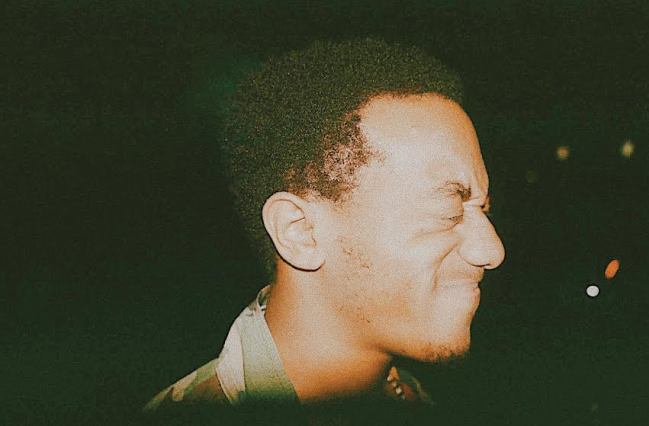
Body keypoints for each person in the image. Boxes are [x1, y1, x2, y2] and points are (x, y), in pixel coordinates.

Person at [144, 38, 504, 412]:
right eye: (448, 212)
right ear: (300, 232)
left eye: (484, 211)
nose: (493, 251)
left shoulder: (408, 394)